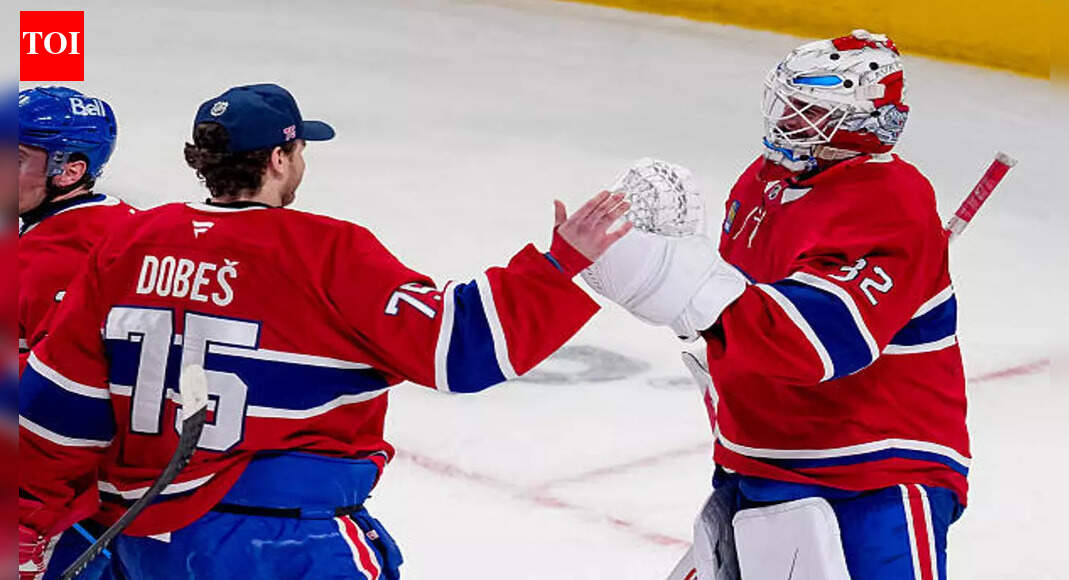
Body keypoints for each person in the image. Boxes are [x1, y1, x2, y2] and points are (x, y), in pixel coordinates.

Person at [18, 83, 631, 579]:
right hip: (286, 544)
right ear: (279, 158)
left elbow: (58, 411)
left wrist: (26, 532)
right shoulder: (326, 253)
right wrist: (558, 266)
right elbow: (460, 348)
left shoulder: (127, 242)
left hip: (146, 542)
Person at [584, 30, 968, 579]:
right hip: (757, 464)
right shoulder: (762, 183)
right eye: (787, 104)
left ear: (857, 124)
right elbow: (741, 313)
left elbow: (814, 343)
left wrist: (671, 280)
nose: (786, 118)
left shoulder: (892, 203)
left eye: (806, 109)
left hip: (872, 476)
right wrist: (701, 336)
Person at [17, 86, 135, 580]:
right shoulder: (130, 225)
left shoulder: (51, 260)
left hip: (67, 521)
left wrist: (28, 520)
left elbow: (59, 404)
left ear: (69, 170)